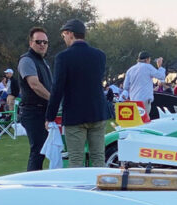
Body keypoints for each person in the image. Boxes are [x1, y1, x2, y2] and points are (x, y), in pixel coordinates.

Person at [45, 19, 110, 168]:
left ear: (70, 34)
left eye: (64, 36)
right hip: (97, 111)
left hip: (75, 114)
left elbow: (57, 89)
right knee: (98, 157)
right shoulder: (100, 55)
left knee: (75, 159)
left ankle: (79, 189)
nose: (64, 39)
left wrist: (50, 116)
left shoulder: (63, 57)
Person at [18, 26, 53, 170]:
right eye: (38, 42)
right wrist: (53, 99)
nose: (42, 45)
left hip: (43, 111)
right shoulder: (27, 60)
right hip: (33, 112)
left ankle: (37, 182)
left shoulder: (43, 62)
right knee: (38, 150)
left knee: (43, 151)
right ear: (31, 43)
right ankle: (32, 184)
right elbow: (34, 85)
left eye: (45, 42)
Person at [122, 51, 166, 120]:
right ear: (147, 59)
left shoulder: (130, 69)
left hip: (134, 100)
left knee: (136, 120)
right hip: (145, 100)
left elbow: (125, 87)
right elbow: (161, 76)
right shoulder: (148, 67)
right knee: (144, 120)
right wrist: (160, 66)